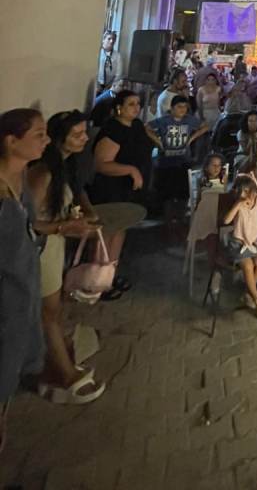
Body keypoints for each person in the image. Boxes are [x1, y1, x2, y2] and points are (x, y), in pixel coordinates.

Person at [26, 111, 105, 403]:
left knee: (53, 310)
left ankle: (55, 364)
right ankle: (64, 373)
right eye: (77, 134)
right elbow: (27, 222)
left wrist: (84, 215)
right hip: (42, 249)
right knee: (49, 312)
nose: (85, 138)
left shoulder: (64, 165)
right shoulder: (43, 172)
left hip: (54, 246)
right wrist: (64, 227)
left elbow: (74, 194)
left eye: (85, 132)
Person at [0, 109, 47, 445]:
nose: (47, 141)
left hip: (22, 289)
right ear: (11, 141)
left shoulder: (20, 177)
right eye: (39, 135)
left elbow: (29, 227)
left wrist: (62, 227)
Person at [86, 90, 151, 296]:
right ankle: (94, 280)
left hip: (128, 190)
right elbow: (101, 163)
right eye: (131, 104)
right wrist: (130, 170)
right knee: (104, 234)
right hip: (111, 189)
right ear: (118, 108)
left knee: (120, 229)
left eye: (138, 103)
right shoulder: (113, 130)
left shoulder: (137, 125)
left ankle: (109, 276)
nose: (136, 107)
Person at [146, 97, 208, 225]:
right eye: (179, 107)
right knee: (166, 193)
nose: (182, 110)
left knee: (183, 192)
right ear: (172, 108)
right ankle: (167, 220)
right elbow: (146, 127)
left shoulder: (189, 119)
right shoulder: (164, 120)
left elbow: (204, 126)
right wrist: (158, 142)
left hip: (183, 161)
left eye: (184, 107)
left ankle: (180, 219)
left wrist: (192, 138)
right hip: (166, 162)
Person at [224, 175, 257, 316]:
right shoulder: (239, 205)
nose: (242, 195)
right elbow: (226, 220)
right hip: (238, 245)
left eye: (246, 191)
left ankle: (248, 293)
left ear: (255, 192)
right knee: (248, 265)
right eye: (241, 191)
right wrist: (238, 205)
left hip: (254, 243)